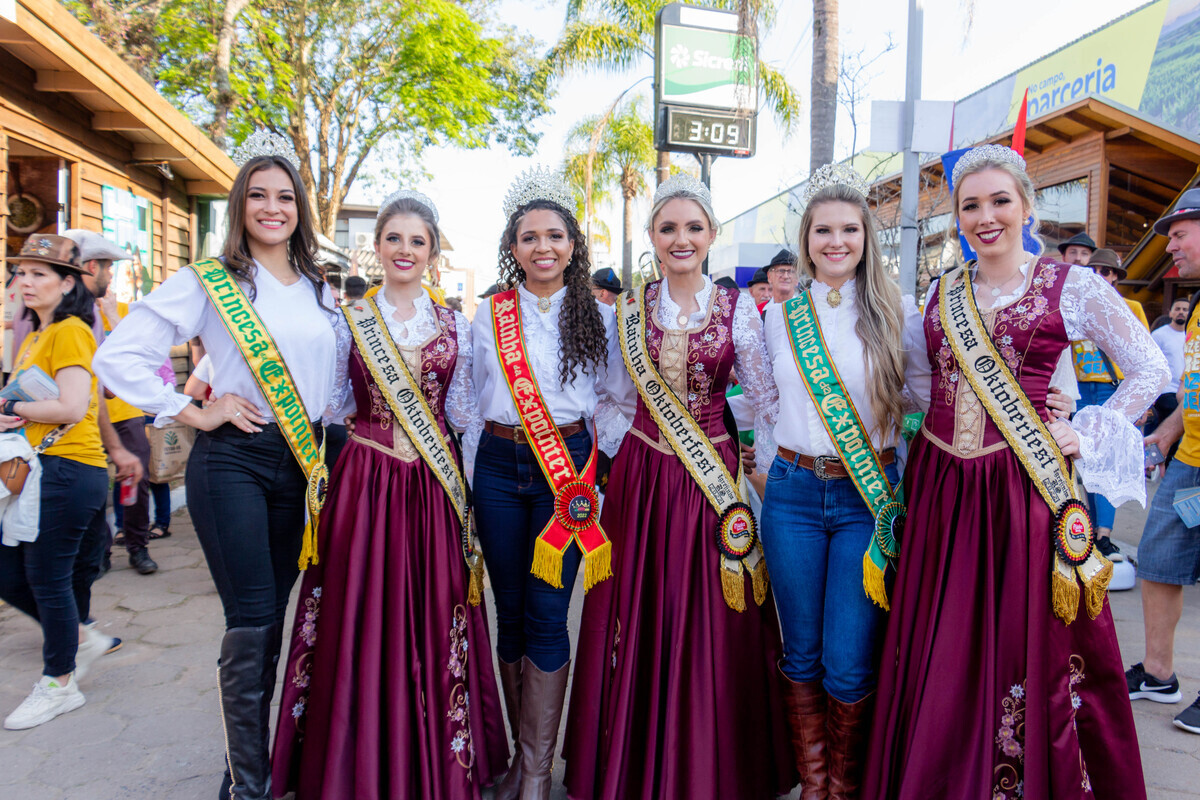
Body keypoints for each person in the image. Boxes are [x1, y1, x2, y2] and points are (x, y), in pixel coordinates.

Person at [864, 144, 1162, 798]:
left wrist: (1080, 428)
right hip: (944, 492)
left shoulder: (1070, 285)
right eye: (971, 205)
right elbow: (921, 383)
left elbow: (1148, 370)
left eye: (1000, 201)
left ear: (1026, 206)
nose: (985, 215)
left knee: (1017, 644)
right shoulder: (944, 292)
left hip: (1021, 495)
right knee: (943, 647)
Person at [93, 130, 350, 799]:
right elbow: (116, 357)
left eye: (285, 197)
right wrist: (191, 408)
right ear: (239, 206)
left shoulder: (324, 290)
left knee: (279, 621)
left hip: (305, 465)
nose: (272, 207)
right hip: (234, 460)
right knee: (253, 620)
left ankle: (256, 768)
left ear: (300, 209)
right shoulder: (211, 281)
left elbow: (338, 389)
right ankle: (245, 786)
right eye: (258, 195)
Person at [564, 173, 795, 800]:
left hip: (712, 479)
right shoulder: (630, 310)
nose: (681, 238)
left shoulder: (740, 309)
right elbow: (610, 399)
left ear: (712, 235)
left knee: (714, 613)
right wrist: (638, 444)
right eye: (669, 228)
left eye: (694, 227)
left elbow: (764, 397)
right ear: (652, 237)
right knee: (639, 611)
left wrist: (756, 460)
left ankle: (712, 764)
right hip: (644, 483)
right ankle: (633, 763)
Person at [271, 191, 508, 797]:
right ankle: (355, 760)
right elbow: (332, 405)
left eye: (418, 241)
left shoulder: (457, 325)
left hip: (433, 490)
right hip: (366, 486)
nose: (405, 250)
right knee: (361, 614)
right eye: (394, 239)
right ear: (376, 247)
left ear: (433, 252)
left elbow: (465, 417)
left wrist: (472, 497)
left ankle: (429, 760)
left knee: (434, 611)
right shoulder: (347, 322)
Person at [758, 165, 925, 796]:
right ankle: (816, 786)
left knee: (848, 662)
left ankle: (843, 789)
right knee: (799, 654)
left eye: (849, 229)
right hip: (793, 494)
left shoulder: (897, 313)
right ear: (805, 239)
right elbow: (765, 403)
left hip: (867, 496)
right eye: (823, 230)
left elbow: (931, 396)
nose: (836, 242)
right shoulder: (780, 316)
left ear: (866, 236)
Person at [471, 167, 616, 800]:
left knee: (549, 614)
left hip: (567, 471)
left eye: (555, 236)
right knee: (509, 614)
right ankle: (515, 760)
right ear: (512, 249)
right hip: (500, 468)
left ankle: (535, 772)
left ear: (573, 244)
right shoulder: (487, 316)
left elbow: (618, 402)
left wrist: (594, 468)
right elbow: (469, 399)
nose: (543, 248)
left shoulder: (602, 318)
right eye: (529, 238)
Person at [0, 235, 116, 729]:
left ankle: (59, 683)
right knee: (11, 571)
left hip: (69, 468)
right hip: (41, 469)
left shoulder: (69, 330)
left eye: (39, 273)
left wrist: (10, 408)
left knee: (48, 579)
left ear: (67, 282)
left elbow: (71, 405)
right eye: (21, 272)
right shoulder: (34, 337)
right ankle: (79, 639)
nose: (26, 281)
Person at [1129, 187, 1200, 735]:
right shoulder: (1196, 301)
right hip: (1188, 461)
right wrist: (1168, 430)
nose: (1170, 245)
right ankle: (1159, 674)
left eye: (1178, 233)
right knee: (1156, 558)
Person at [64, 229, 160, 576]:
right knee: (92, 485)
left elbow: (141, 360)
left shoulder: (121, 310)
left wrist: (111, 317)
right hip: (81, 416)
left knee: (137, 479)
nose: (110, 276)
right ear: (91, 267)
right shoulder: (66, 315)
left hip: (125, 412)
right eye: (107, 268)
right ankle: (100, 550)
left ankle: (138, 546)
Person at [1068, 247, 1149, 560]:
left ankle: (1104, 535)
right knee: (1081, 461)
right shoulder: (1075, 306)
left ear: (1115, 276)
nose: (1099, 276)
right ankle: (1082, 528)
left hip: (1112, 390)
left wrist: (1142, 403)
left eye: (1106, 271)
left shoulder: (1130, 307)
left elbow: (1146, 357)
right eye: (1094, 271)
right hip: (1077, 390)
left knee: (1106, 459)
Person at [1147, 296, 1189, 454]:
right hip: (1166, 390)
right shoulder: (1159, 335)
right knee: (1174, 420)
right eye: (1177, 309)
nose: (1181, 312)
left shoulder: (1192, 333)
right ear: (1170, 312)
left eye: (1185, 309)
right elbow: (1151, 363)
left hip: (1187, 390)